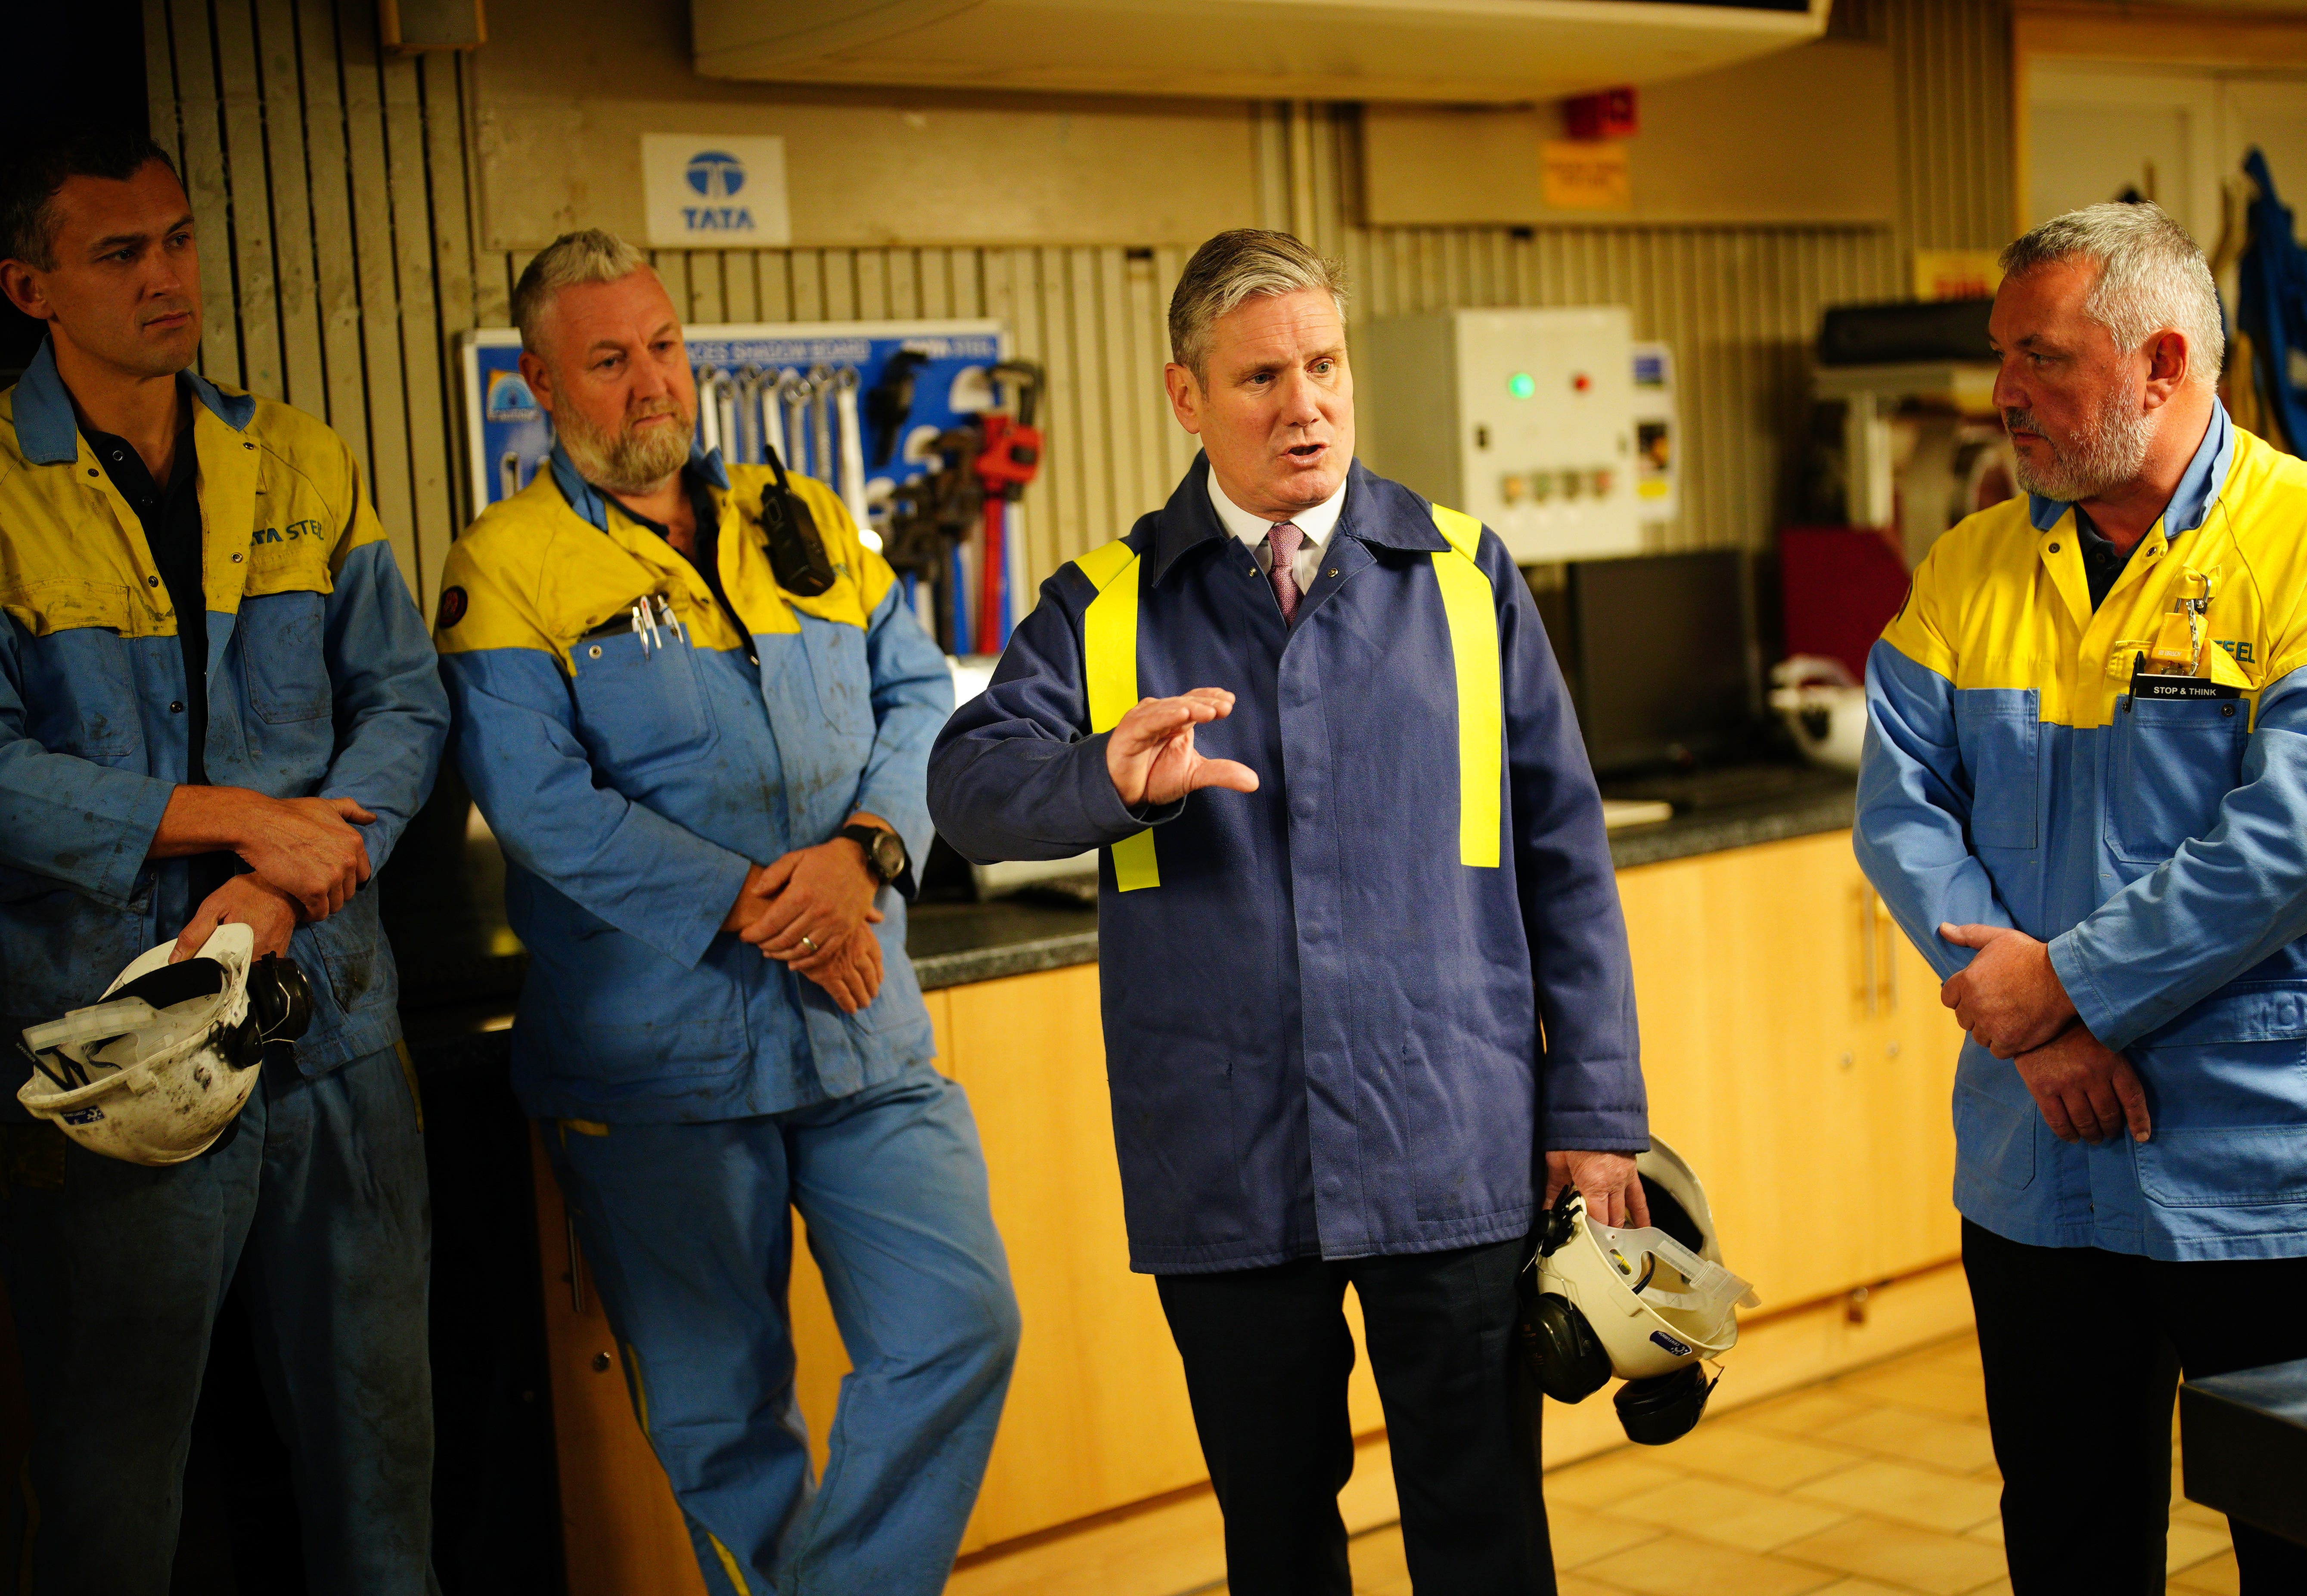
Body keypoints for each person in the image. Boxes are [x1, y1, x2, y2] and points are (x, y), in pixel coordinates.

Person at [929, 228, 1646, 1596]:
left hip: (1449, 1133)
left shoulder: (1461, 574)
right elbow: (967, 793)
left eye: (1323, 365)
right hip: (1226, 1150)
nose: (1303, 403)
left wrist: (1597, 1110)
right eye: (1261, 376)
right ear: (1184, 396)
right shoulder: (1104, 604)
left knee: (1481, 1515)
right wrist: (1103, 778)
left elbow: (1565, 851)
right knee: (1274, 1530)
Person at [435, 229, 1017, 1596]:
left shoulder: (792, 512)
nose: (652, 386)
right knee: (723, 1423)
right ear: (540, 384)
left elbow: (920, 695)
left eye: (665, 347)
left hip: (862, 1032)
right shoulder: (506, 566)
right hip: (660, 1068)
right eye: (610, 360)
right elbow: (540, 803)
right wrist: (770, 903)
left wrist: (863, 855)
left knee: (959, 1325)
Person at [1856, 202, 2307, 1596]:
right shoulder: (1974, 563)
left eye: (2039, 356)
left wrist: (2072, 982)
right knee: (2070, 1534)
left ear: (2160, 364)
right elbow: (1898, 807)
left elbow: (2300, 838)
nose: (2002, 392)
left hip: (2267, 1171)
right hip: (2042, 1174)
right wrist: (2040, 1027)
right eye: (2001, 355)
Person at [0, 130, 450, 1590]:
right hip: (120, 1047)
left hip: (329, 1016)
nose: (166, 277)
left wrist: (281, 876)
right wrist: (236, 821)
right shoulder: (1, 492)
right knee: (115, 1503)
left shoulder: (301, 458)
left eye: (179, 241)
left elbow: (405, 698)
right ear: (30, 287)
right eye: (119, 254)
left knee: (385, 1480)